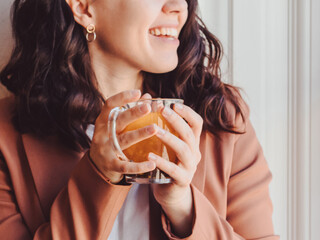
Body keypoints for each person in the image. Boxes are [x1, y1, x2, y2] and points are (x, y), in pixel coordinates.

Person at [0, 0, 279, 239]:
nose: (178, 6)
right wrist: (99, 176)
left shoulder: (222, 118)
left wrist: (184, 208)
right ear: (84, 7)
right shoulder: (5, 136)